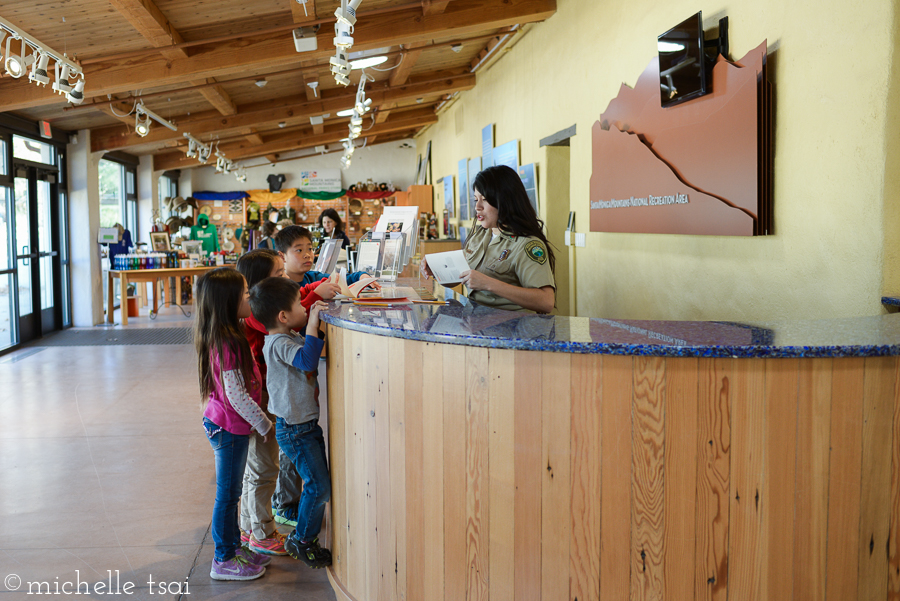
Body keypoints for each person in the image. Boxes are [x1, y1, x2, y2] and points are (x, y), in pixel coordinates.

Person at [193, 267, 273, 581]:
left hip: (228, 425)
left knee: (233, 492)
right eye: (243, 292)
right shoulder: (228, 341)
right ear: (228, 302)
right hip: (228, 428)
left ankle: (233, 547)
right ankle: (223, 558)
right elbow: (236, 394)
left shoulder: (229, 333)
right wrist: (264, 423)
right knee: (228, 495)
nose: (249, 296)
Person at [249, 277, 333, 568]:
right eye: (300, 304)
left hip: (304, 425)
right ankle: (303, 539)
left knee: (319, 484)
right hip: (296, 430)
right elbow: (308, 361)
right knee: (318, 487)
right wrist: (312, 324)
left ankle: (304, 537)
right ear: (283, 316)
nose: (304, 307)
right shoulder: (278, 343)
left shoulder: (288, 335)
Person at [422, 165, 556, 313]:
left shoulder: (527, 244)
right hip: (475, 321)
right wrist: (438, 270)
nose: (478, 207)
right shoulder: (480, 235)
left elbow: (546, 301)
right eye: (475, 199)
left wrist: (488, 284)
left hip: (510, 328)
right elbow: (464, 277)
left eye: (485, 200)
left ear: (505, 201)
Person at [234, 250, 288, 556]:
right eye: (278, 274)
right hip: (260, 402)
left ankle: (248, 528)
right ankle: (262, 532)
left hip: (261, 398)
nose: (284, 278)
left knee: (257, 468)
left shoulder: (252, 310)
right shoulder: (258, 313)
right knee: (265, 469)